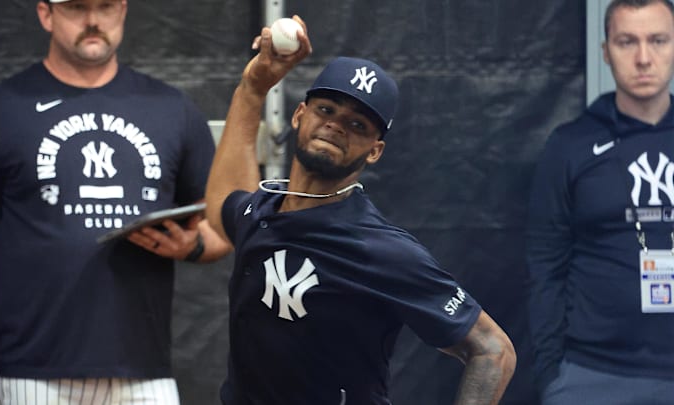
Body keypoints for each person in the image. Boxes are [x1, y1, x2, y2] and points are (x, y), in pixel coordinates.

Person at [205, 15, 517, 404]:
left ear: (374, 150)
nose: (336, 126)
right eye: (326, 109)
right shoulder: (262, 212)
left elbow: (492, 350)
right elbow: (222, 205)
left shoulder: (378, 248)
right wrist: (253, 88)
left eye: (357, 124)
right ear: (299, 114)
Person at [0, 0, 230, 404]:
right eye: (77, 7)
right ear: (46, 14)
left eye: (105, 5)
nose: (93, 20)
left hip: (144, 376)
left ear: (123, 9)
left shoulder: (174, 110)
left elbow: (222, 227)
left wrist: (193, 245)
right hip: (30, 374)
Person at [526, 0, 674, 404]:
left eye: (657, 40)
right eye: (627, 42)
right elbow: (545, 264)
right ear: (606, 51)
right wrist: (551, 375)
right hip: (592, 375)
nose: (644, 58)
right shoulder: (570, 146)